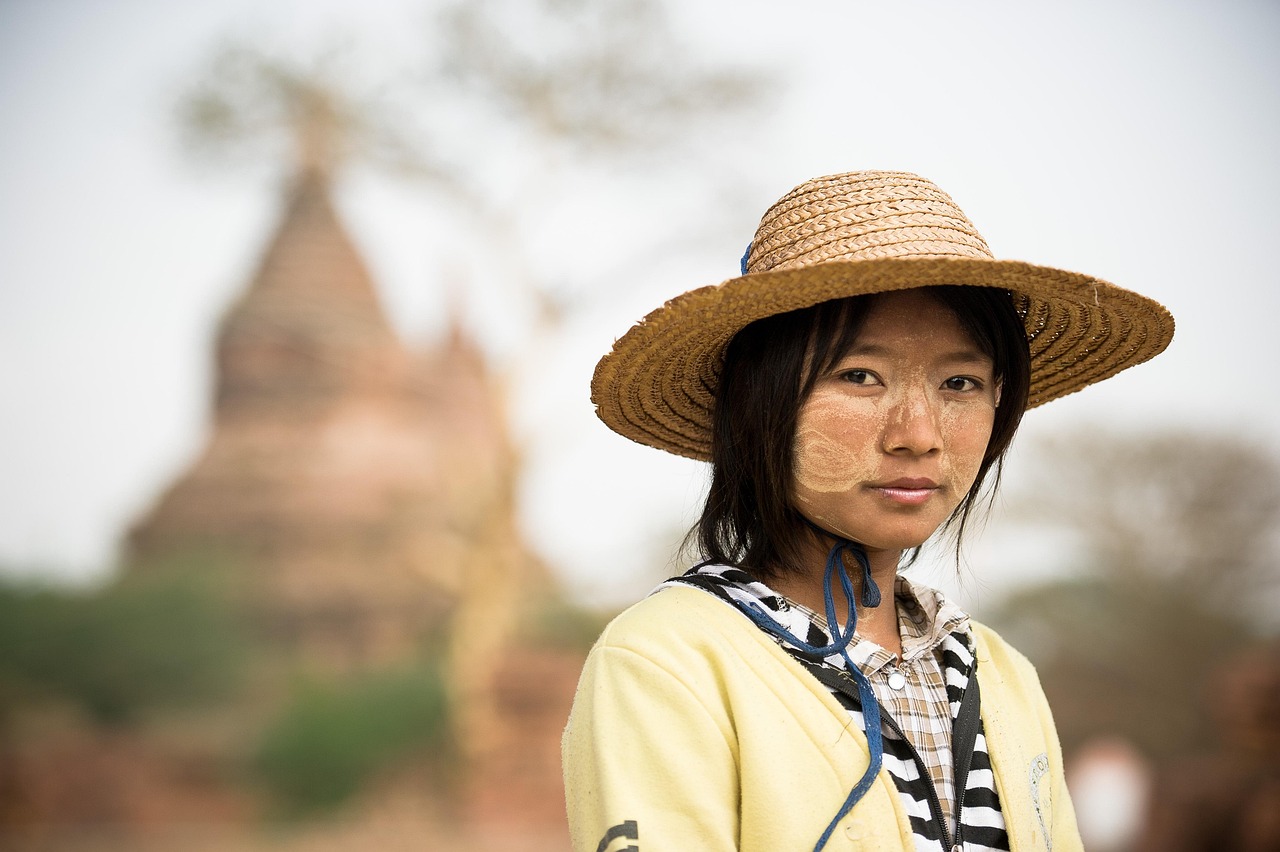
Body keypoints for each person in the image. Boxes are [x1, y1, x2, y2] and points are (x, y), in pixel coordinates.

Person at [562, 171, 1174, 852]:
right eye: (859, 376)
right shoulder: (668, 660)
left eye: (960, 383)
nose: (919, 432)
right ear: (757, 406)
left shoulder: (1002, 676)